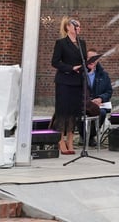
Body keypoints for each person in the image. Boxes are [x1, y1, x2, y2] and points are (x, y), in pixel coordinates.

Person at [50, 17, 87, 155]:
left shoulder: (81, 43)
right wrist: (71, 68)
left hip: (77, 81)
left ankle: (70, 140)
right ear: (68, 27)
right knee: (63, 111)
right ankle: (60, 140)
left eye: (79, 25)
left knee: (74, 112)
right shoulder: (61, 43)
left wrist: (86, 66)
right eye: (76, 25)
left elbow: (83, 60)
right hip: (64, 81)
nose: (78, 27)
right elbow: (55, 62)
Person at [81, 50, 113, 147]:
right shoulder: (80, 73)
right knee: (79, 113)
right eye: (90, 58)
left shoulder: (103, 75)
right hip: (83, 103)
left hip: (98, 104)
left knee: (102, 112)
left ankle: (91, 136)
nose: (92, 61)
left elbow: (109, 91)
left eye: (95, 58)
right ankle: (83, 136)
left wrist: (100, 99)